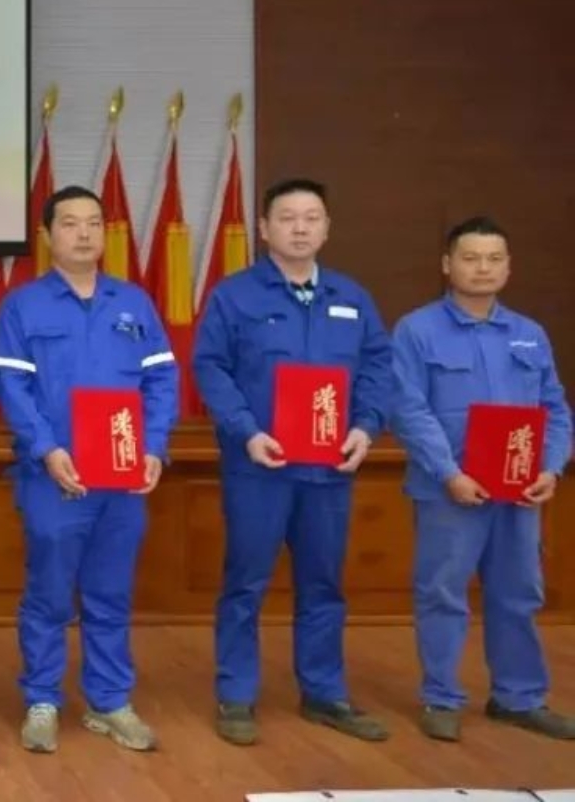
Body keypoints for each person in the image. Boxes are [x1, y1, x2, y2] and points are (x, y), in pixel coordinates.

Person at [192, 177, 395, 745]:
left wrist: (366, 427)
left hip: (330, 470)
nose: (300, 228)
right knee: (246, 582)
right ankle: (236, 695)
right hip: (260, 466)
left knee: (324, 583)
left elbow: (379, 367)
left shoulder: (352, 297)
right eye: (287, 218)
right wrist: (246, 432)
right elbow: (210, 368)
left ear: (327, 228)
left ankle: (325, 693)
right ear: (264, 228)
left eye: (311, 218)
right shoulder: (235, 296)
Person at [0, 185, 178, 753]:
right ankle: (42, 699)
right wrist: (47, 449)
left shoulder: (134, 303)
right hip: (55, 477)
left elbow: (162, 380)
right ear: (47, 236)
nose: (83, 233)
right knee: (49, 593)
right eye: (70, 223)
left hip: (121, 479)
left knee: (110, 592)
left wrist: (154, 447)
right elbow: (13, 387)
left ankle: (109, 700)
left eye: (94, 223)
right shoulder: (23, 305)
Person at [388, 216, 575, 742]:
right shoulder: (416, 330)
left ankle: (519, 698)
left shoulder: (529, 334)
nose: (483, 268)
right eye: (470, 258)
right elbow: (408, 409)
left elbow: (555, 409)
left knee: (519, 593)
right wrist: (449, 473)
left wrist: (551, 467)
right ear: (447, 265)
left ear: (509, 268)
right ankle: (442, 698)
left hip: (518, 493)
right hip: (450, 491)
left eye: (494, 259)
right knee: (443, 594)